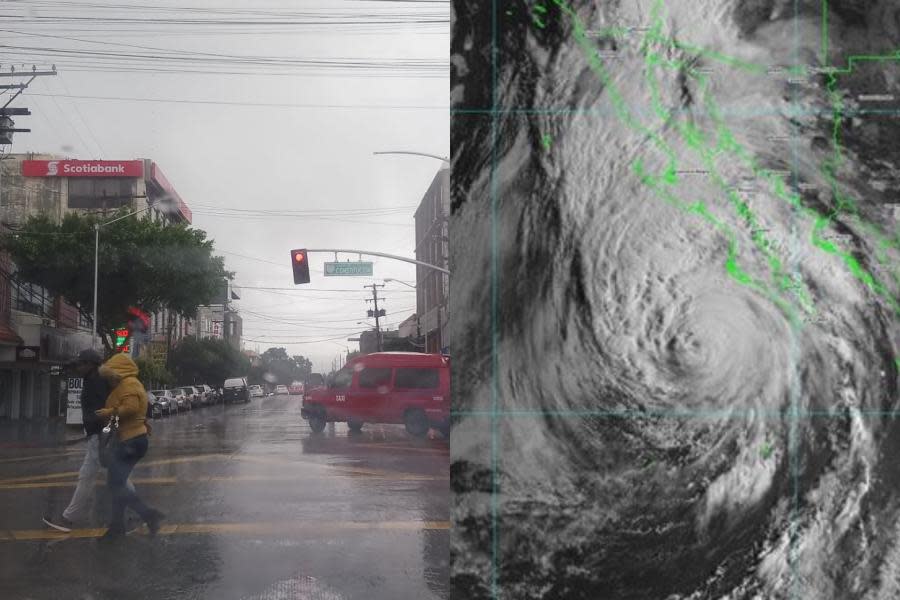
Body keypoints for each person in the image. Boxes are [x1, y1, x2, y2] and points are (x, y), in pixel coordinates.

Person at [42, 349, 136, 532]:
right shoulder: (95, 379)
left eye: (81, 364)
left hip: (102, 435)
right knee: (101, 476)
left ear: (90, 365)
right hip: (101, 434)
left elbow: (106, 410)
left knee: (99, 476)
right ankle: (136, 516)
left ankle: (68, 519)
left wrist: (104, 433)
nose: (78, 367)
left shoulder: (96, 382)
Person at [94, 353, 164, 541]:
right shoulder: (126, 384)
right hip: (129, 439)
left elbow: (130, 409)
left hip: (132, 441)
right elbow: (121, 417)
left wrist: (108, 414)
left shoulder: (129, 384)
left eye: (110, 375)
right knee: (117, 484)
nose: (108, 379)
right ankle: (118, 526)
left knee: (116, 484)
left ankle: (148, 515)